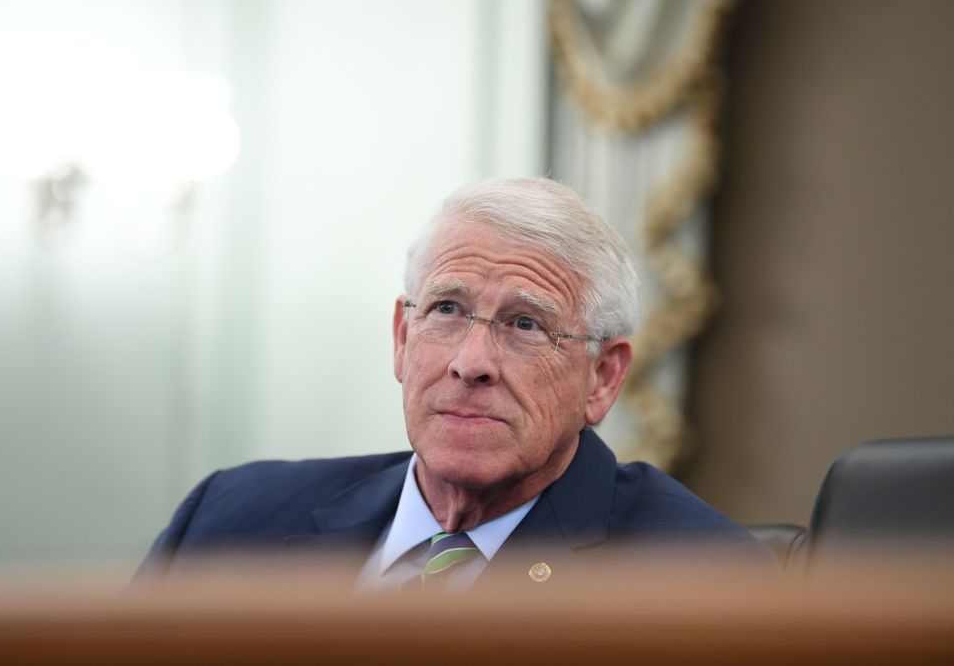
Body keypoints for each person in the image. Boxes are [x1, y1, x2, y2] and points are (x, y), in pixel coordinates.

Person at [139, 178, 776, 590]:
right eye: (446, 309)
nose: (471, 363)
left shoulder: (704, 583)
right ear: (402, 336)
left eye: (526, 324)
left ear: (602, 378)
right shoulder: (228, 522)